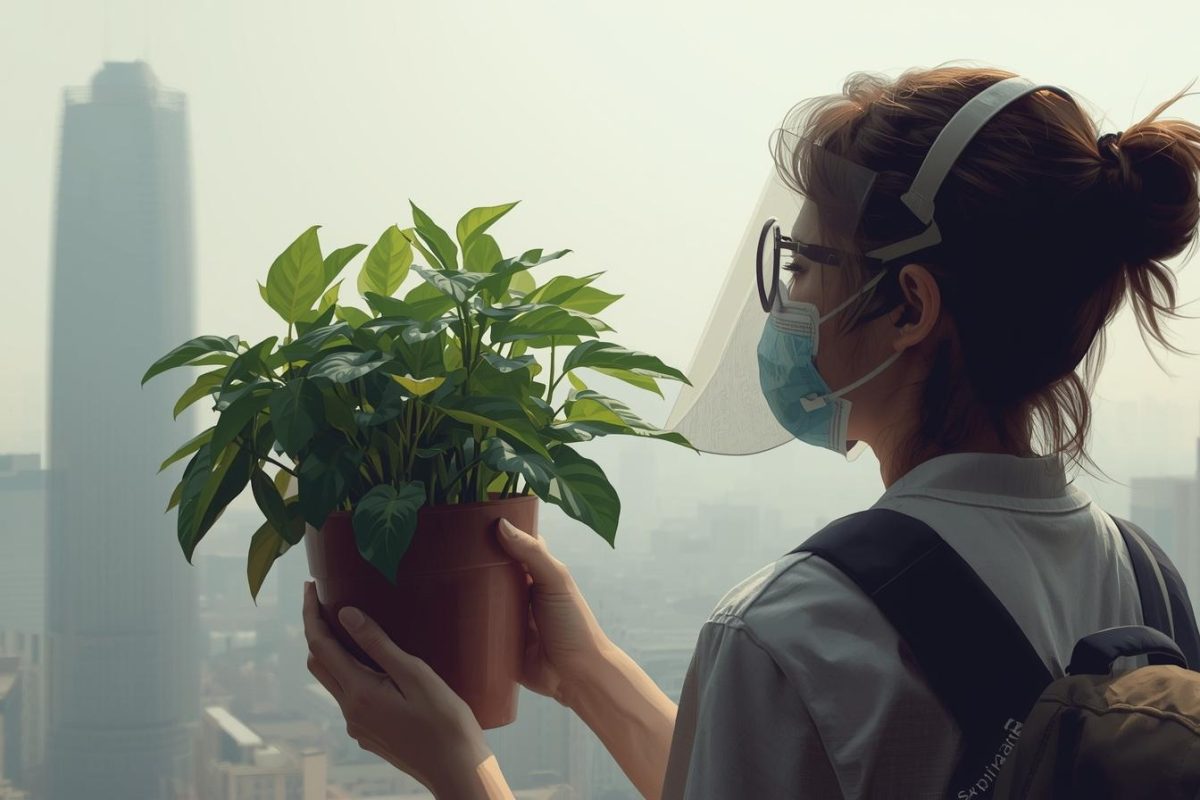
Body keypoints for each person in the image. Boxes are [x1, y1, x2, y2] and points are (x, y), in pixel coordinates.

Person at [302, 65, 1200, 799]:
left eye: (808, 264)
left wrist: (459, 771)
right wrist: (587, 673)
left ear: (909, 308)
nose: (789, 301)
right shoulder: (1150, 592)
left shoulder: (799, 632)